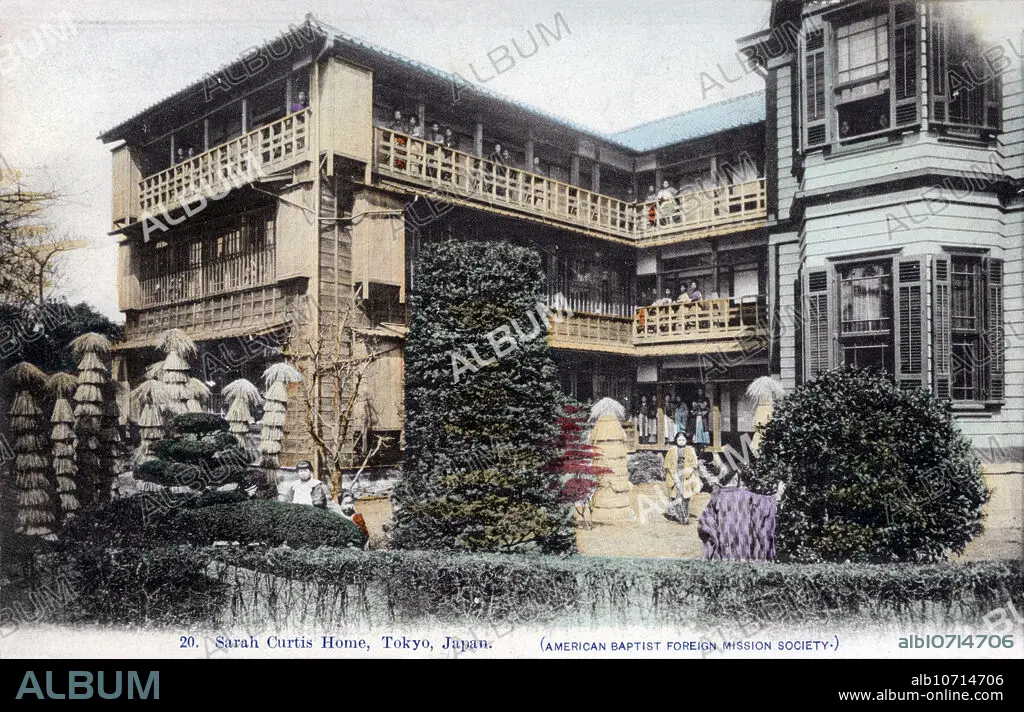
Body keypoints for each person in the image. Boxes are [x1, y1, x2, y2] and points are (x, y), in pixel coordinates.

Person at [665, 432, 702, 524]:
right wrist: (674, 476)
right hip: (675, 473)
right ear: (676, 440)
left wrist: (690, 471)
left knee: (686, 496)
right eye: (679, 440)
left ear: (686, 440)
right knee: (676, 495)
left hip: (686, 474)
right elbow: (667, 464)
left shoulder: (690, 450)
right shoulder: (671, 450)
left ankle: (686, 516)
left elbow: (694, 463)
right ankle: (678, 516)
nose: (681, 442)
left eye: (683, 440)